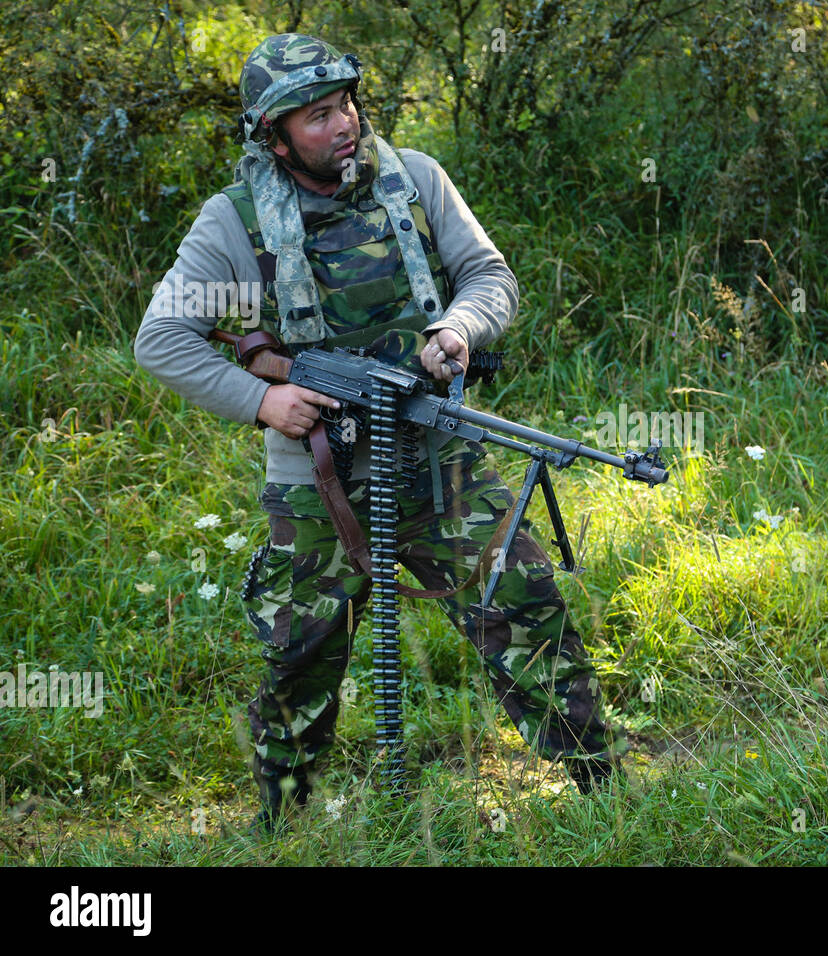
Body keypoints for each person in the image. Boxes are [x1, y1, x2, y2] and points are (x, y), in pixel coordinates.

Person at [133, 33, 627, 835]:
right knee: (301, 656)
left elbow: (490, 276)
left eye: (348, 105)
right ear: (275, 133)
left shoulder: (414, 179)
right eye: (319, 115)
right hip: (318, 475)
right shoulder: (235, 222)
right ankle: (282, 829)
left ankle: (604, 797)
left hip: (438, 452)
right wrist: (262, 404)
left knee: (529, 606)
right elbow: (162, 340)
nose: (344, 125)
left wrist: (460, 329)